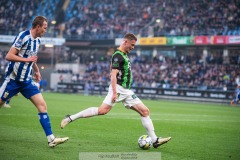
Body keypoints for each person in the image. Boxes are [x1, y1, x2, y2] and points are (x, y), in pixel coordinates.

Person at [61, 33, 171, 148]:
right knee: (102, 110)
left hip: (127, 91)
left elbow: (112, 69)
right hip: (118, 89)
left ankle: (155, 140)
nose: (133, 47)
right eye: (132, 45)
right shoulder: (118, 55)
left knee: (145, 112)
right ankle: (70, 118)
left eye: (134, 45)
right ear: (125, 42)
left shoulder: (123, 54)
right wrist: (114, 92)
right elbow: (113, 75)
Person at [0, 16, 68, 148]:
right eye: (44, 27)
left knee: (42, 105)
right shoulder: (23, 36)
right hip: (12, 80)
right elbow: (9, 56)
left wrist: (36, 71)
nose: (45, 30)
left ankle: (51, 139)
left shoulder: (38, 41)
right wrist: (26, 60)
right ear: (38, 27)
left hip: (26, 81)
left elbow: (32, 59)